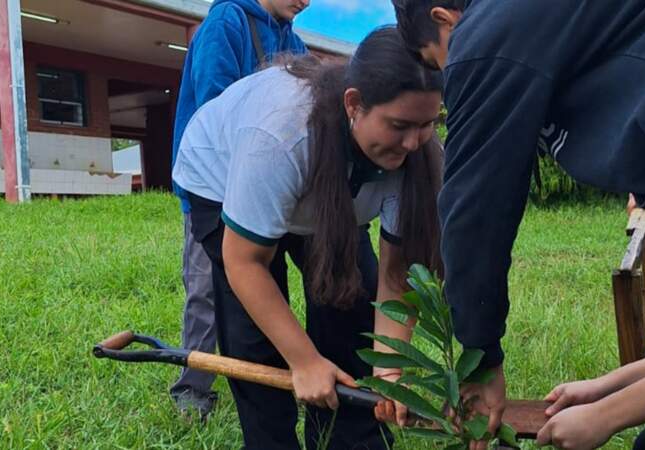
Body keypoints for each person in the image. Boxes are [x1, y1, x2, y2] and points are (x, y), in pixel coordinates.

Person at [391, 0, 645, 448]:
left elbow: (474, 206)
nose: (452, 77)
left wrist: (480, 360)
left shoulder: (487, 29)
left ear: (444, 20)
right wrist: (603, 391)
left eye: (439, 63)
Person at [172, 27, 444, 449]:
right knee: (255, 337)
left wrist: (390, 371)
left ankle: (352, 440)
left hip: (324, 196)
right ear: (354, 104)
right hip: (222, 178)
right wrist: (304, 361)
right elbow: (245, 263)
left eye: (427, 124)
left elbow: (395, 273)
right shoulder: (281, 136)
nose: (413, 142)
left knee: (352, 305)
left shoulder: (419, 155)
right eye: (399, 125)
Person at [169, 0, 309, 420]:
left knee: (264, 284)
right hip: (213, 185)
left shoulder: (294, 41)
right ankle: (192, 390)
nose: (305, 2)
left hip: (268, 186)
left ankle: (274, 376)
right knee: (207, 289)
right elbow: (217, 105)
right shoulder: (226, 22)